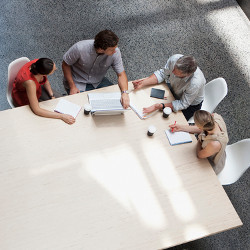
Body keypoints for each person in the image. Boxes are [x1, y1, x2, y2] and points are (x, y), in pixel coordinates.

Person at [62, 29, 130, 108]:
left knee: (117, 99)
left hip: (98, 81)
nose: (115, 51)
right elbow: (65, 64)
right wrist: (72, 86)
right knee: (81, 108)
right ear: (101, 49)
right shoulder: (79, 48)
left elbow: (121, 74)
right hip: (77, 81)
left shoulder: (116, 52)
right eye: (112, 50)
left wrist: (125, 92)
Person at [132, 54, 206, 120]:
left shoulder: (195, 83)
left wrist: (160, 106)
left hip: (189, 105)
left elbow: (183, 104)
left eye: (177, 73)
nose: (172, 72)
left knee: (166, 122)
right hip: (175, 90)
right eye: (173, 69)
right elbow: (162, 74)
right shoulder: (175, 59)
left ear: (186, 75)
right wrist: (143, 83)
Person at [12, 58, 75, 124]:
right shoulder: (30, 83)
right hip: (24, 97)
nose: (56, 69)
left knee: (56, 101)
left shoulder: (40, 64)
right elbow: (37, 110)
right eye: (53, 71)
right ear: (44, 73)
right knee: (47, 121)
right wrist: (61, 116)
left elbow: (45, 80)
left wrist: (51, 95)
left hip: (36, 88)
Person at [169, 110, 229, 174]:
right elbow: (202, 129)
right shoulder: (214, 118)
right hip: (209, 150)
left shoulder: (214, 144)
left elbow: (199, 155)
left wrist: (199, 140)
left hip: (210, 162)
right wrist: (181, 128)